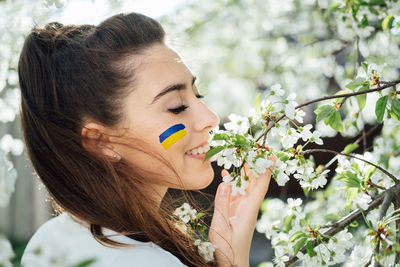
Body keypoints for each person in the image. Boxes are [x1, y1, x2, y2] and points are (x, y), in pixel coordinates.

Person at [18, 12, 273, 267]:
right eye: (176, 107)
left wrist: (229, 256)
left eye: (199, 95)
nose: (211, 118)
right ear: (102, 142)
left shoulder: (46, 241)